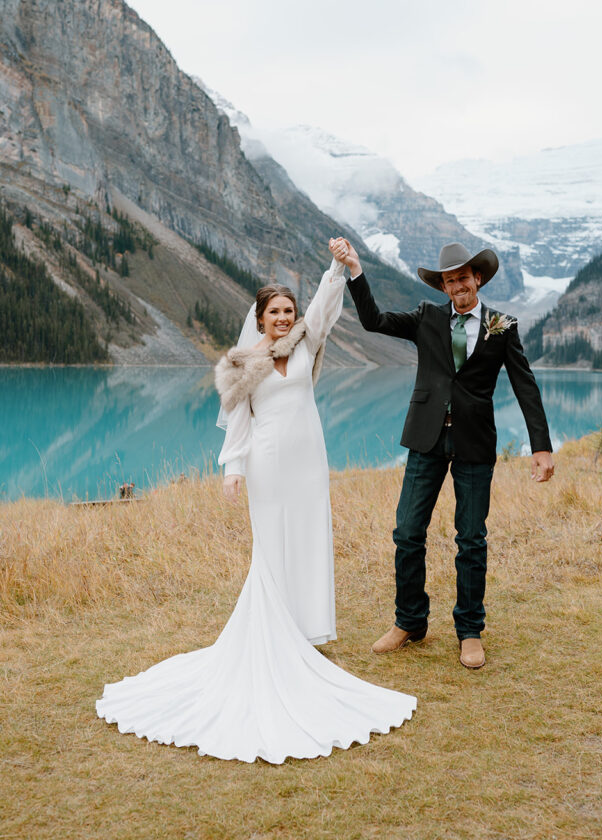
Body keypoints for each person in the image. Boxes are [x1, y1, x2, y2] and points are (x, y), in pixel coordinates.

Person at [96, 246, 416, 763]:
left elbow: (327, 306)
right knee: (270, 549)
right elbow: (240, 422)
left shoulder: (309, 341)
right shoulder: (242, 364)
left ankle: (306, 632)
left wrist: (339, 267)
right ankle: (273, 637)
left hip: (310, 461)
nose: (284, 319)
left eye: (289, 311)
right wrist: (234, 470)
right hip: (267, 464)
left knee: (310, 539)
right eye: (275, 313)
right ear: (260, 319)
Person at [330, 237, 554, 670]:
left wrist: (540, 445)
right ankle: (410, 622)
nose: (457, 287)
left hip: (474, 442)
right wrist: (356, 270)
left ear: (478, 279)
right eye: (450, 281)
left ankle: (470, 630)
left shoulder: (503, 326)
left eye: (463, 279)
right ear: (444, 286)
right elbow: (373, 321)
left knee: (471, 539)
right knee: (407, 532)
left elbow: (526, 386)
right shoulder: (426, 318)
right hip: (426, 439)